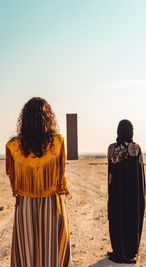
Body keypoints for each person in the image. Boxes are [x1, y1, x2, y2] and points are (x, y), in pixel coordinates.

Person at [6, 97, 71, 267]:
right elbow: (60, 173)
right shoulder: (58, 143)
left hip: (25, 204)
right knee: (51, 252)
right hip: (52, 203)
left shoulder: (13, 146)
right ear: (49, 118)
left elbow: (13, 178)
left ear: (24, 119)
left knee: (27, 252)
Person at [107, 119, 146, 264]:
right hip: (133, 194)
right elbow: (140, 174)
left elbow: (110, 174)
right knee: (131, 219)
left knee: (117, 217)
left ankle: (118, 249)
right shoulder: (136, 148)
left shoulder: (111, 148)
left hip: (116, 193)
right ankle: (129, 251)